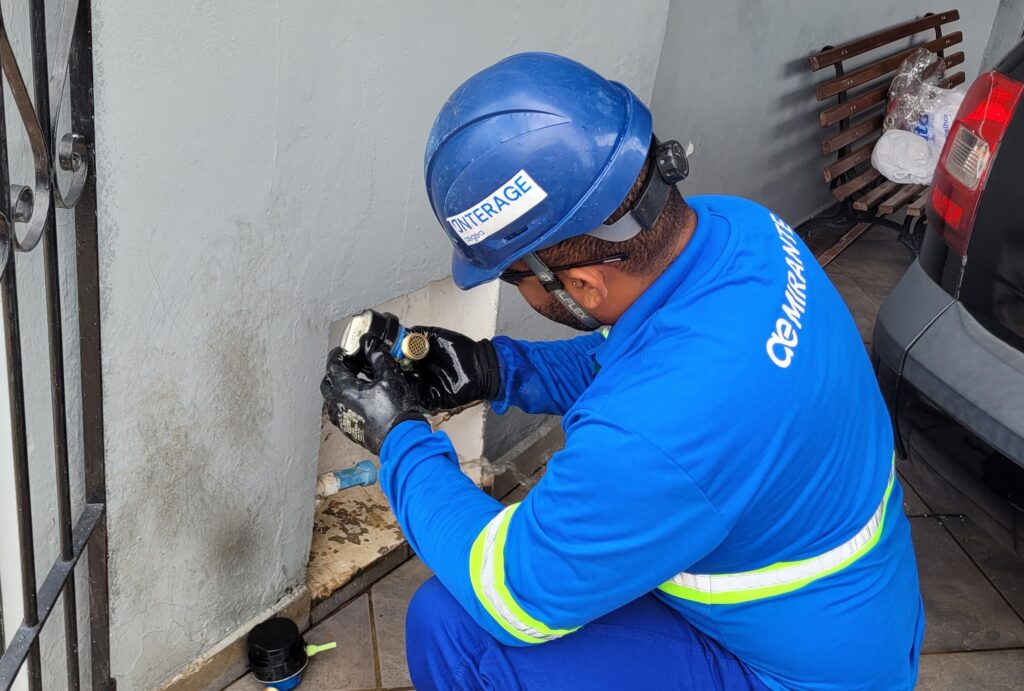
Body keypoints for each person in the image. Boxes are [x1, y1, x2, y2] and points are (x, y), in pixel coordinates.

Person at [321, 52, 924, 690]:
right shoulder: (740, 229)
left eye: (511, 276)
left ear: (579, 282)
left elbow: (510, 596)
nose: (512, 288)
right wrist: (494, 366)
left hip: (794, 676)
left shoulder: (651, 440)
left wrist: (398, 440)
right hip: (851, 617)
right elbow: (647, 362)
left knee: (455, 629)